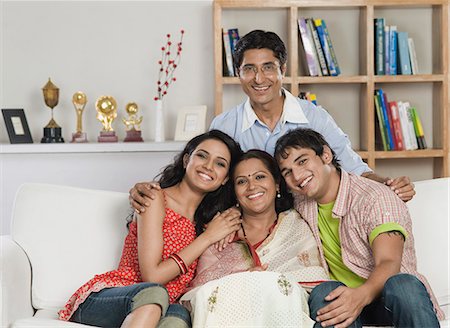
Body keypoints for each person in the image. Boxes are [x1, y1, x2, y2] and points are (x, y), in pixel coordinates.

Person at [129, 30, 414, 210]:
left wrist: (388, 184)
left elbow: (353, 168)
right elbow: (200, 179)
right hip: (248, 226)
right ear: (238, 74)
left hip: (308, 220)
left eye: (268, 68)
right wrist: (152, 194)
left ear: (283, 70)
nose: (259, 78)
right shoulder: (224, 125)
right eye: (249, 69)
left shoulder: (314, 117)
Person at [58, 130, 243, 328]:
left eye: (220, 163)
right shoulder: (154, 198)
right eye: (202, 155)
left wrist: (232, 217)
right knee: (154, 294)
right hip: (115, 296)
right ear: (186, 160)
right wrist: (207, 238)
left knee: (178, 318)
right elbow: (152, 276)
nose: (208, 166)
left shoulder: (210, 221)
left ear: (225, 179)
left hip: (164, 306)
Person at [274, 128, 444, 328]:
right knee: (323, 291)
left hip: (391, 300)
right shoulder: (301, 202)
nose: (297, 175)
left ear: (326, 155)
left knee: (402, 284)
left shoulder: (374, 197)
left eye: (302, 161)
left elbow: (389, 262)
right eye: (287, 172)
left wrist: (359, 297)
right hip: (344, 306)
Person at [180, 149, 329, 327]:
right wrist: (244, 282)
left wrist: (266, 282)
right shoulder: (220, 232)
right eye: (242, 181)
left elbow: (313, 280)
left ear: (277, 184)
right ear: (234, 192)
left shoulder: (295, 226)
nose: (251, 186)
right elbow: (200, 295)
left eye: (259, 177)